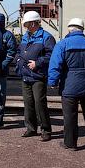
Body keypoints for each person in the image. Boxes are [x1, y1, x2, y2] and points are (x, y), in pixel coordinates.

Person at [48, 17, 85, 150]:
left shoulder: (62, 44)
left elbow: (55, 65)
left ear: (69, 29)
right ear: (82, 29)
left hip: (69, 85)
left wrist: (52, 81)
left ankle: (70, 143)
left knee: (70, 116)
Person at [14, 10, 56, 141]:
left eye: (26, 24)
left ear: (32, 23)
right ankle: (31, 128)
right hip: (26, 75)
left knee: (39, 103)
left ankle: (46, 130)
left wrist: (37, 63)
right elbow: (18, 51)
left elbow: (52, 55)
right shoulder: (26, 36)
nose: (25, 26)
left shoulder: (46, 37)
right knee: (28, 103)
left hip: (38, 75)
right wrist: (18, 60)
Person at [0, 12, 17, 115]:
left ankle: (0, 109)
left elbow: (12, 51)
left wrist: (4, 64)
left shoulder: (8, 36)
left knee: (1, 90)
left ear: (0, 23)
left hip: (2, 68)